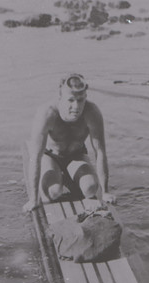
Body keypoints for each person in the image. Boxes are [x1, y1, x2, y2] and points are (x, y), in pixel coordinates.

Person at [22, 73, 116, 212]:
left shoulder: (92, 112)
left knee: (90, 189)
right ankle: (57, 177)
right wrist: (34, 199)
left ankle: (70, 177)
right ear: (60, 98)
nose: (76, 106)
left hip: (76, 155)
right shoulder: (46, 113)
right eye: (70, 100)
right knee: (53, 192)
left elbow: (100, 152)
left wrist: (105, 191)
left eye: (80, 100)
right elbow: (36, 157)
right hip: (51, 156)